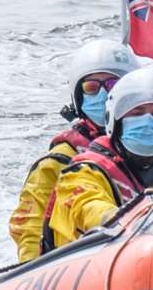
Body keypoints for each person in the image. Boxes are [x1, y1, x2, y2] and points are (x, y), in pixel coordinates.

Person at [8, 40, 141, 262]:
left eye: (112, 85)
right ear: (78, 96)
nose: (102, 95)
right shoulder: (58, 161)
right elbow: (29, 229)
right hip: (75, 267)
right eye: (91, 88)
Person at [47, 66, 153, 247]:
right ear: (116, 120)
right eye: (137, 113)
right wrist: (139, 219)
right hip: (92, 265)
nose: (147, 121)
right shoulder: (82, 173)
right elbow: (88, 208)